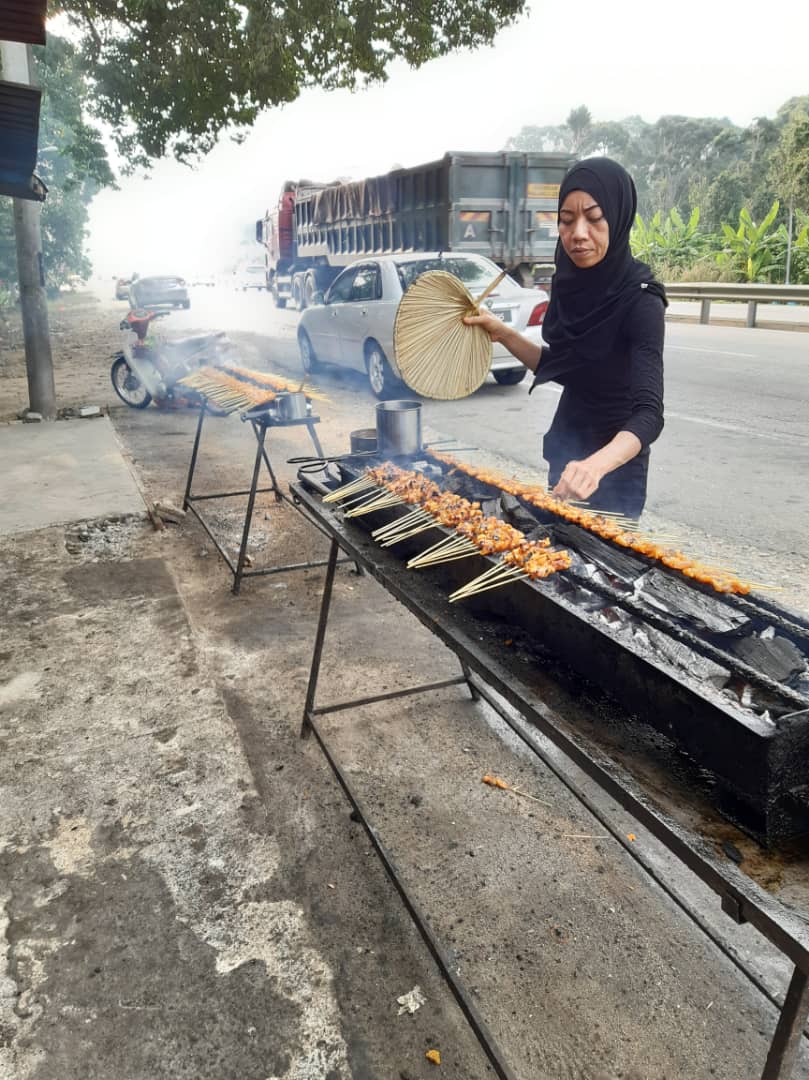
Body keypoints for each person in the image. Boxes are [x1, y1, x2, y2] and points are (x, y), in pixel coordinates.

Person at [465, 157, 666, 520]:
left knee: (608, 573)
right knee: (554, 562)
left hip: (614, 471)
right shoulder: (569, 283)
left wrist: (595, 465)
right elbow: (566, 368)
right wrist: (505, 334)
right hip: (566, 453)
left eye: (594, 217)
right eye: (567, 220)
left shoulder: (641, 300)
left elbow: (649, 414)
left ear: (618, 218)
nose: (579, 233)